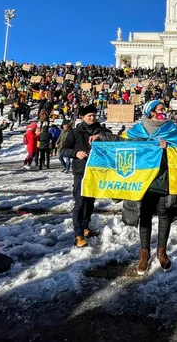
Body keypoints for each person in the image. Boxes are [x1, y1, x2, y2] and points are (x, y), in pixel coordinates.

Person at [120, 100, 177, 275]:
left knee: (164, 214)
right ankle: (144, 253)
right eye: (160, 109)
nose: (163, 111)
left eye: (163, 109)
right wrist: (101, 138)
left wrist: (168, 149)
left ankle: (161, 251)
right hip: (143, 181)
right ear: (151, 112)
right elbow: (121, 146)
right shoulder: (137, 130)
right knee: (144, 215)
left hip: (164, 179)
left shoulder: (171, 129)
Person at [61, 104, 115, 248]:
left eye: (93, 115)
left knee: (90, 201)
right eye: (89, 116)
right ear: (82, 117)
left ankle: (85, 227)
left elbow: (113, 139)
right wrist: (76, 153)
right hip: (80, 171)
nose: (92, 118)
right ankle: (78, 234)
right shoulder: (75, 132)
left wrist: (100, 136)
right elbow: (63, 150)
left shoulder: (101, 129)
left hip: (96, 171)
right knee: (80, 202)